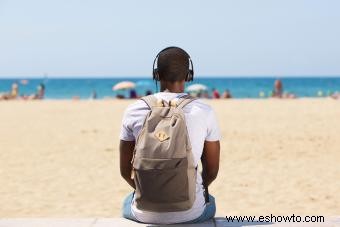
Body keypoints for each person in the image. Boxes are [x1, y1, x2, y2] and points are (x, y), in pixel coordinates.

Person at [119, 47, 220, 224]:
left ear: (156, 74)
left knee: (127, 201)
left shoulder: (133, 110)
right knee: (211, 201)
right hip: (190, 211)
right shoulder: (204, 111)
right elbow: (211, 171)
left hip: (144, 211)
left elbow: (124, 172)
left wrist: (150, 193)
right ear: (189, 75)